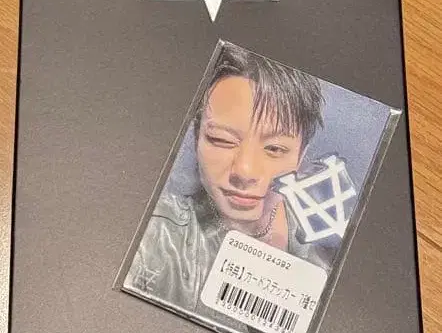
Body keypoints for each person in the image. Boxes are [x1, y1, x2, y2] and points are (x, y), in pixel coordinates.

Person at [125, 42, 329, 312]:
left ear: (301, 156)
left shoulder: (327, 242)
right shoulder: (157, 236)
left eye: (275, 149)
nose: (245, 170)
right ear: (196, 138)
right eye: (222, 140)